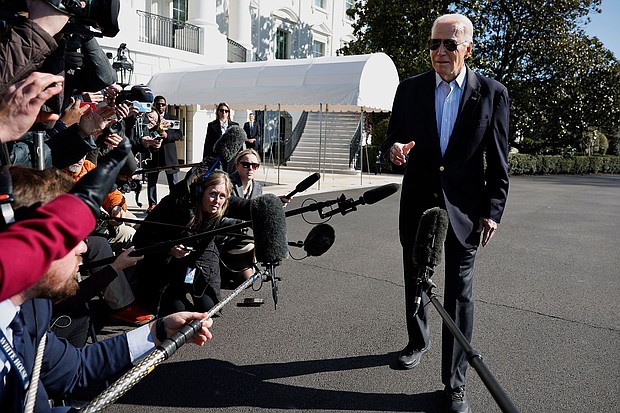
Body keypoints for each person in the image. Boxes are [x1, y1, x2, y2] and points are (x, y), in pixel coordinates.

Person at [0, 162, 214, 412]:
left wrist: (158, 332)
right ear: (30, 245)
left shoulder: (28, 313)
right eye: (73, 237)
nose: (82, 248)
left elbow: (76, 368)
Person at [381, 13, 509, 413]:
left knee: (459, 296)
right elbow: (392, 140)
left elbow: (499, 161)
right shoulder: (409, 90)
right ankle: (417, 340)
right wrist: (394, 151)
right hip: (419, 206)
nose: (440, 51)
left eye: (449, 45)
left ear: (468, 48)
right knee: (416, 278)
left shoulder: (492, 93)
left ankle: (454, 383)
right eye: (434, 43)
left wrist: (493, 210)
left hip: (465, 211)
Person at [145, 95, 183, 212]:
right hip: (154, 154)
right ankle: (152, 204)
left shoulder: (172, 117)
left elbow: (179, 135)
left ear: (166, 106)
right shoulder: (149, 118)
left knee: (173, 182)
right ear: (154, 105)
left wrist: (167, 136)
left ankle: (173, 204)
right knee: (151, 181)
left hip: (169, 155)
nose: (160, 106)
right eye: (158, 104)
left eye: (162, 104)